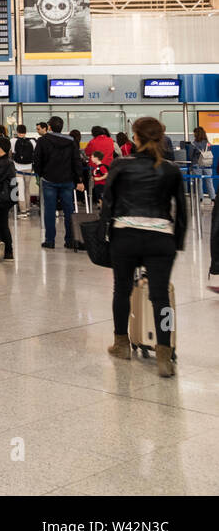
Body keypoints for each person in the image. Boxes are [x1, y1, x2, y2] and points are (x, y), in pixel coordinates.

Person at [99, 117, 187, 377]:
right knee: (160, 296)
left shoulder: (121, 165)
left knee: (121, 291)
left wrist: (105, 235)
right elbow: (181, 211)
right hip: (160, 239)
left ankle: (121, 344)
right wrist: (177, 242)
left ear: (135, 137)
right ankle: (163, 354)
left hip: (125, 236)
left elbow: (108, 203)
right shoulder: (171, 169)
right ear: (160, 138)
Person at [33, 115, 85, 250]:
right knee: (69, 211)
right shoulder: (71, 141)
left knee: (49, 211)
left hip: (49, 180)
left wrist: (40, 174)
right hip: (67, 180)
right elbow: (76, 161)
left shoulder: (43, 140)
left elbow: (37, 160)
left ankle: (49, 241)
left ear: (49, 127)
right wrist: (79, 178)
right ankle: (70, 240)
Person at [11, 124, 35, 217]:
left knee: (20, 189)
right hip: (29, 167)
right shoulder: (32, 141)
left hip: (18, 168)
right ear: (25, 132)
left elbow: (11, 153)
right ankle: (28, 208)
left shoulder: (13, 140)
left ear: (17, 131)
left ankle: (23, 211)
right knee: (27, 188)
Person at [190, 126, 214, 201]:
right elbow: (209, 151)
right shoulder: (208, 143)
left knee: (198, 182)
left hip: (197, 164)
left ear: (196, 134)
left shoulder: (193, 144)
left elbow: (190, 155)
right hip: (207, 164)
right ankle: (212, 197)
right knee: (209, 181)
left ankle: (200, 197)